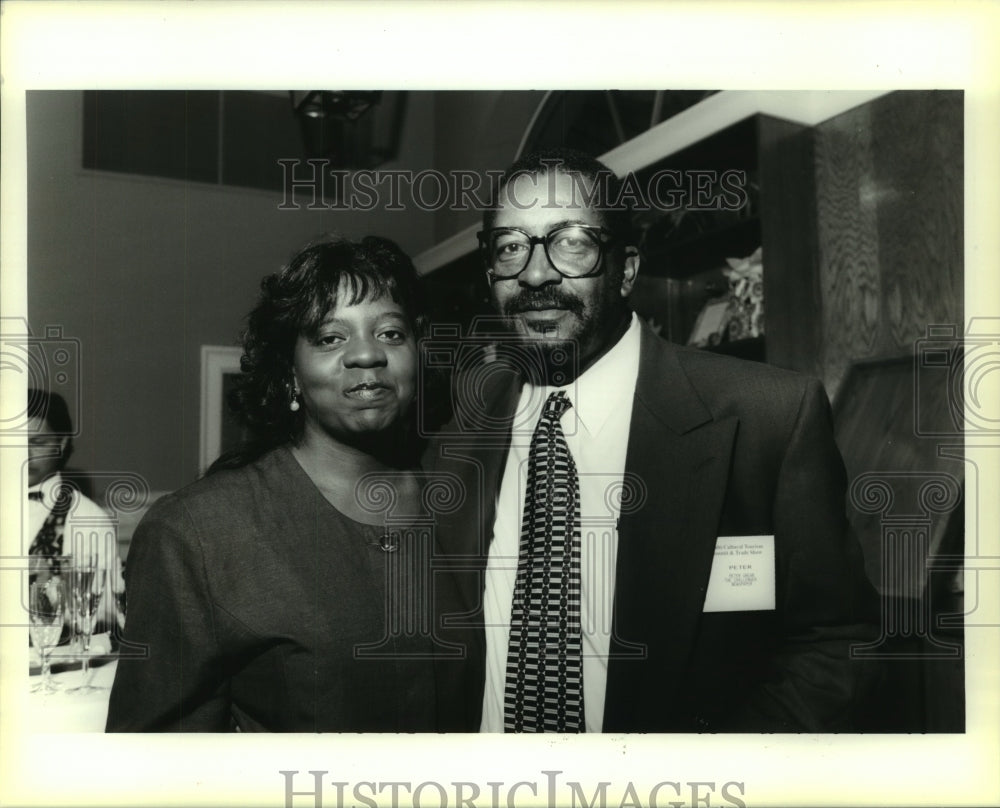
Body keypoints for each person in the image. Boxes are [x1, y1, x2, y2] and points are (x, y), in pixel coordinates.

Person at [425, 148, 881, 733]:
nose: (536, 274)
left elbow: (838, 643)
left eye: (571, 241)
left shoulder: (766, 418)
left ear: (627, 270)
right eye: (511, 247)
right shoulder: (456, 440)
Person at [106, 235, 439, 732]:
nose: (367, 355)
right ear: (290, 372)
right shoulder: (198, 532)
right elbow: (159, 767)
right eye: (330, 337)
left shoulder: (468, 504)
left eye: (391, 333)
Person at [26, 389, 123, 639]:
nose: (24, 454)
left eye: (37, 443)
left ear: (62, 443)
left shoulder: (89, 520)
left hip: (58, 662)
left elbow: (109, 613)